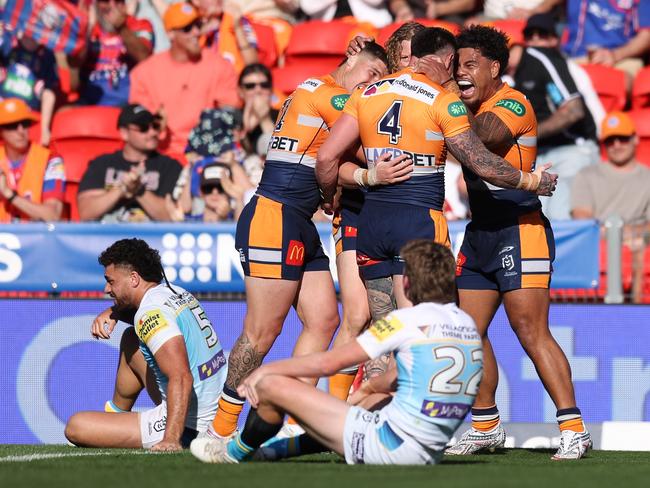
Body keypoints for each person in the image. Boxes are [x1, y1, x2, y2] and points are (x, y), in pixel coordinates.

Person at [199, 43, 401, 444]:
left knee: (324, 320)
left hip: (299, 222)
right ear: (349, 61)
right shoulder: (331, 94)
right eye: (372, 71)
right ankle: (218, 427)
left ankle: (291, 417)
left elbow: (333, 161)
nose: (374, 82)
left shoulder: (317, 92)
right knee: (260, 332)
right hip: (274, 216)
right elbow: (368, 149)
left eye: (382, 77)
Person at [317, 27, 557, 337]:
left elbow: (327, 159)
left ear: (411, 57)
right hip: (418, 223)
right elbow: (481, 161)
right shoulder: (444, 100)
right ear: (446, 60)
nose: (458, 73)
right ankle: (417, 386)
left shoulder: (368, 92)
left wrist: (330, 196)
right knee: (431, 329)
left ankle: (370, 387)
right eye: (456, 64)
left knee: (382, 331)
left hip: (373, 222)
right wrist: (530, 181)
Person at [436, 25, 591, 460]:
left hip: (520, 230)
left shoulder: (511, 103)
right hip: (481, 232)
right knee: (466, 331)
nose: (462, 73)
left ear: (494, 68)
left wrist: (435, 100)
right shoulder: (464, 104)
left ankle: (573, 427)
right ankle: (485, 426)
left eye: (470, 66)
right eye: (457, 65)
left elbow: (477, 143)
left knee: (530, 332)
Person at [190, 240, 483, 465]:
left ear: (406, 282)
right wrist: (367, 388)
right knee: (374, 399)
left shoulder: (406, 320)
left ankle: (232, 453)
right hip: (428, 452)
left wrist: (267, 370)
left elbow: (330, 362)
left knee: (271, 385)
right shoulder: (466, 322)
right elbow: (399, 377)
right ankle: (271, 453)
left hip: (388, 448)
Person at [65, 238, 227, 451]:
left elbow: (181, 377)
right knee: (132, 338)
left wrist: (171, 439)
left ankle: (128, 427)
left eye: (110, 281)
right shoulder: (175, 291)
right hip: (217, 412)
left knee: (76, 426)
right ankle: (116, 419)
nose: (106, 288)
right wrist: (114, 312)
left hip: (191, 427)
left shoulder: (150, 313)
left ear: (133, 278)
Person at [513, 13, 599, 221]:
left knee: (559, 218)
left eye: (542, 34)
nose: (534, 40)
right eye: (529, 35)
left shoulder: (559, 64)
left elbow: (574, 111)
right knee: (535, 221)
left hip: (572, 149)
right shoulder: (519, 73)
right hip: (543, 156)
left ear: (555, 40)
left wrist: (529, 135)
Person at [129, 2, 241, 160]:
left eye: (198, 25)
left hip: (208, 153)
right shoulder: (144, 73)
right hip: (162, 156)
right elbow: (141, 124)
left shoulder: (220, 65)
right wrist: (156, 122)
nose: (196, 32)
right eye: (187, 29)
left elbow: (230, 114)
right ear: (171, 34)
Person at [77, 104, 182, 222]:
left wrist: (139, 190)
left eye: (155, 126)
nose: (152, 132)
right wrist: (122, 189)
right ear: (124, 133)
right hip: (107, 238)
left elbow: (173, 217)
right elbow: (86, 212)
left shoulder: (170, 167)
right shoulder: (102, 164)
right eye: (143, 128)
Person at [572, 111, 650, 225]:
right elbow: (582, 219)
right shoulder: (586, 175)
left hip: (637, 241)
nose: (616, 145)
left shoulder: (647, 178)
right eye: (610, 140)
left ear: (635, 139)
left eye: (623, 138)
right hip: (598, 241)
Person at [76, 0, 154, 106]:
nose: (112, 6)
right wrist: (85, 29)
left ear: (125, 4)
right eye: (106, 1)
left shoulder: (140, 25)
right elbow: (72, 79)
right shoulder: (87, 30)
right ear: (95, 5)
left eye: (118, 0)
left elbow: (144, 59)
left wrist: (122, 28)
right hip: (90, 102)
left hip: (128, 104)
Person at [0, 98, 66, 222]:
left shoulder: (51, 160)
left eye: (25, 123)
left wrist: (8, 194)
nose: (21, 131)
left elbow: (53, 216)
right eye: (12, 125)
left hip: (37, 238)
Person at [0, 33, 59, 146]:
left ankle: (45, 130)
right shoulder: (8, 41)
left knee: (49, 95)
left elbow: (50, 88)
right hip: (3, 103)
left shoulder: (47, 55)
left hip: (29, 110)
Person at [238, 63, 278, 157]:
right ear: (240, 92)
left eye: (264, 85)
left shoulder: (284, 116)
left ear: (271, 89)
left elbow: (278, 153)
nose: (258, 90)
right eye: (250, 86)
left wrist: (264, 119)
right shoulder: (232, 118)